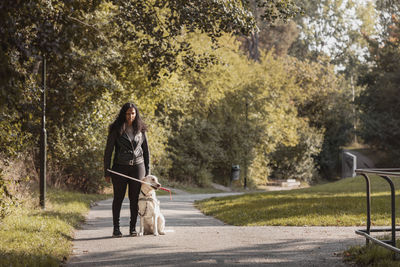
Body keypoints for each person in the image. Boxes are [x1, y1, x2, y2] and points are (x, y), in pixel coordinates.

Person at [104, 102, 150, 237]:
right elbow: (108, 152)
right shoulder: (115, 129)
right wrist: (106, 171)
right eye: (128, 113)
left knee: (134, 198)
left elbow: (146, 151)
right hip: (119, 168)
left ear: (136, 114)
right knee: (118, 198)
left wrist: (147, 172)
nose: (131, 116)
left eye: (133, 113)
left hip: (138, 167)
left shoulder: (141, 129)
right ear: (124, 114)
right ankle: (116, 228)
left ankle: (132, 228)